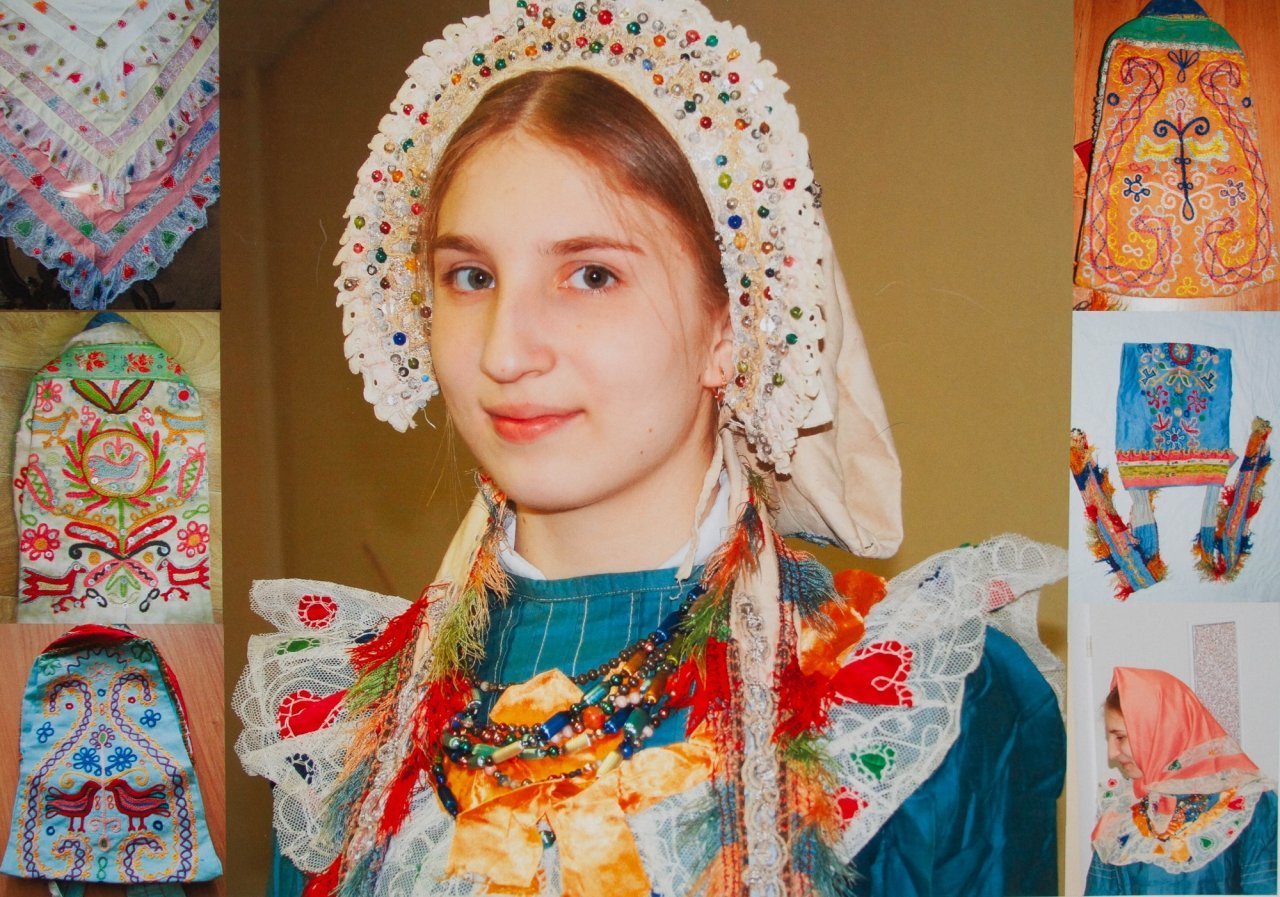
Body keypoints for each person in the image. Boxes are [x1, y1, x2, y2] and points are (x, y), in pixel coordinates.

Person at [234, 2, 1066, 895]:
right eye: (470, 276)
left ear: (730, 328)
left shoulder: (912, 707)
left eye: (592, 274)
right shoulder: (342, 730)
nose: (505, 351)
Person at [1087, 667, 1278, 895]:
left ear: (1161, 732)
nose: (1112, 753)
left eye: (1120, 737)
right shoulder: (1120, 810)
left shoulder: (1246, 803)